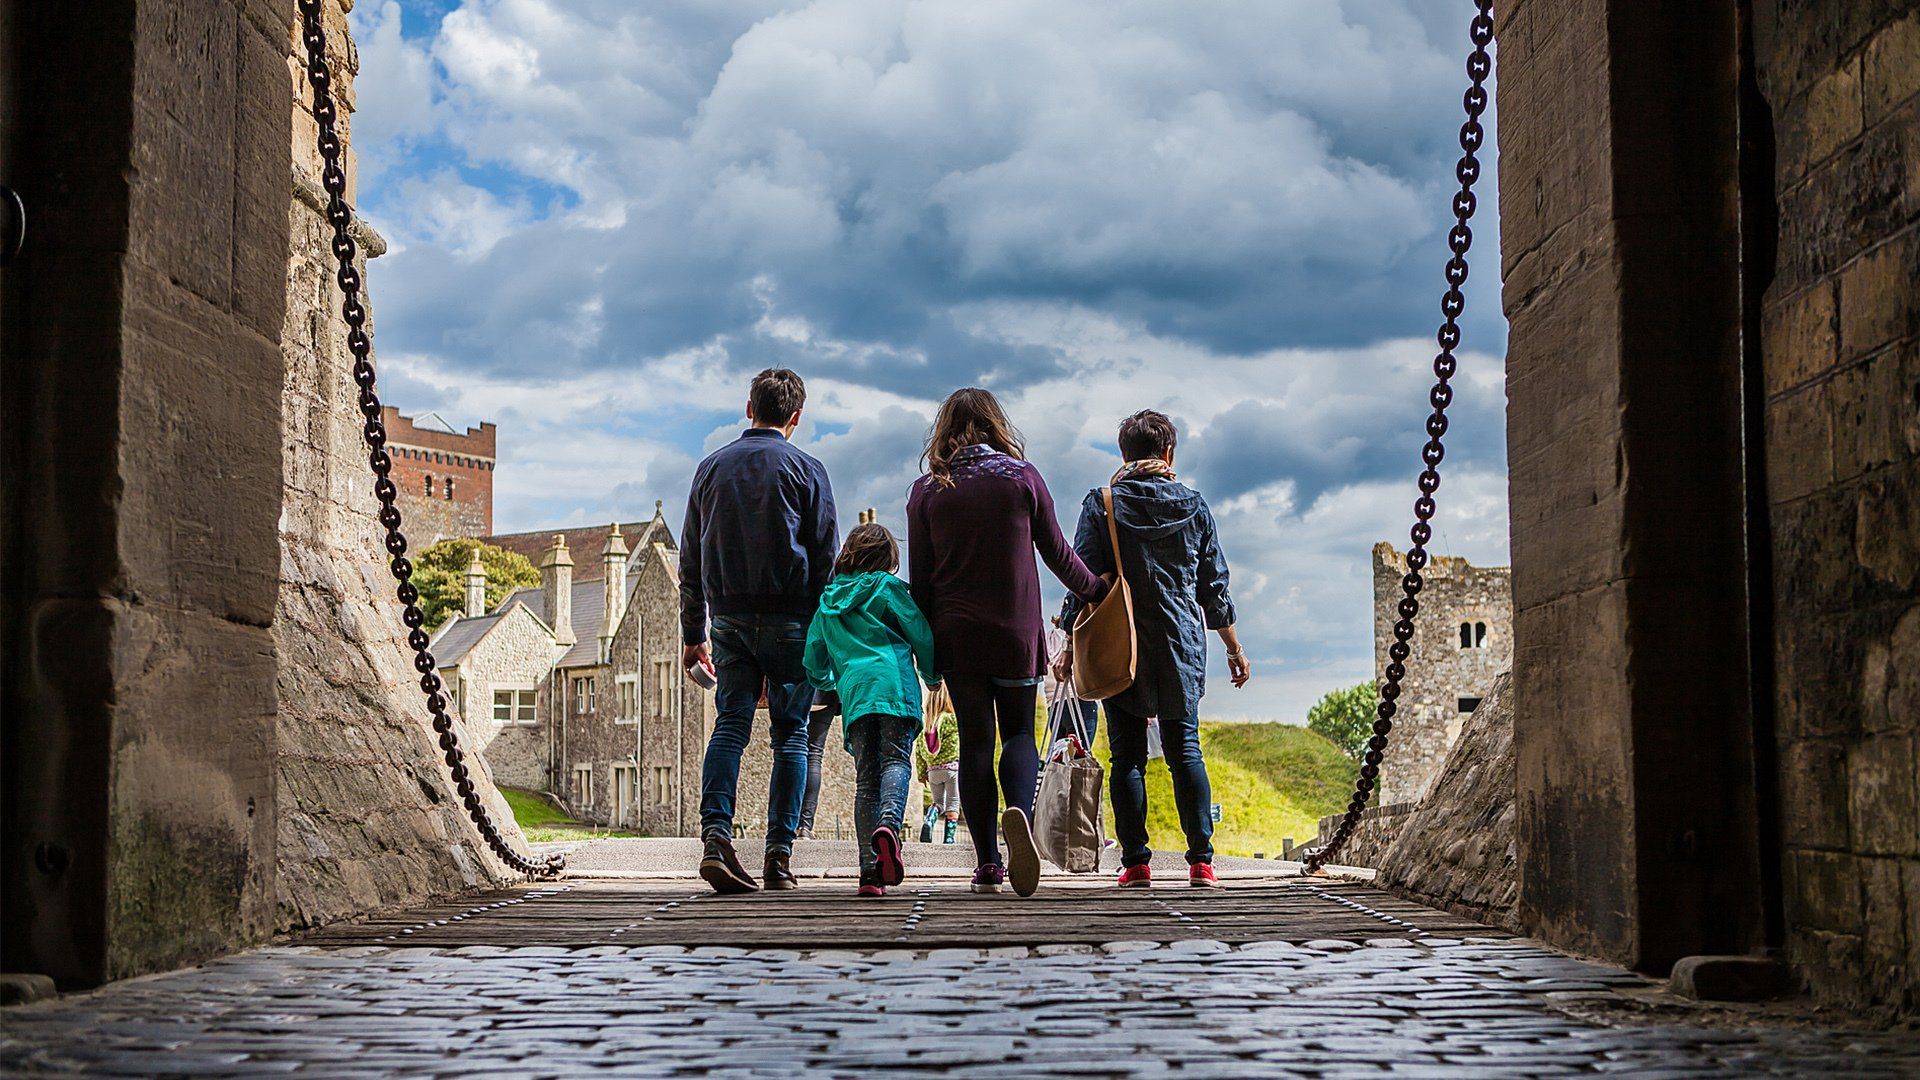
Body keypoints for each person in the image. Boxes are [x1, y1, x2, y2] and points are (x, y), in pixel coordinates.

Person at [906, 388, 1108, 897]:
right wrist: (1098, 591)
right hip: (1015, 628)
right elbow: (1059, 553)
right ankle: (1017, 808)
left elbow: (922, 580)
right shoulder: (1022, 478)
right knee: (1018, 733)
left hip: (957, 634)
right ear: (997, 426)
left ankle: (988, 864)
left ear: (945, 430)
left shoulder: (927, 490)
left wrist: (926, 649)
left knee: (976, 741)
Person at [1057, 410, 1248, 889]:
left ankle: (1137, 863)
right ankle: (1202, 862)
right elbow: (1213, 587)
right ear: (1169, 454)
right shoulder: (1195, 506)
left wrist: (1064, 642)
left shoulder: (1101, 504)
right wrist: (1233, 648)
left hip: (1121, 644)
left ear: (1123, 454)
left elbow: (1082, 579)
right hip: (1180, 644)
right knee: (1186, 750)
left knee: (1127, 756)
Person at [681, 368, 839, 894]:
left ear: (749, 407)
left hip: (726, 618)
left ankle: (715, 838)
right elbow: (825, 566)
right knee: (791, 736)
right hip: (793, 620)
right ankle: (778, 857)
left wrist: (692, 633)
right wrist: (823, 639)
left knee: (730, 727)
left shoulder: (708, 470)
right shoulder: (809, 471)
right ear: (795, 418)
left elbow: (691, 561)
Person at [802, 523, 940, 897]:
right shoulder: (889, 588)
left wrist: (832, 681)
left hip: (857, 697)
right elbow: (921, 633)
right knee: (896, 762)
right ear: (887, 558)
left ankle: (869, 875)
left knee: (866, 779)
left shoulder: (829, 600)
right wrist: (932, 675)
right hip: (894, 688)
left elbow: (812, 657)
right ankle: (889, 827)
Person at [1044, 606, 1100, 749]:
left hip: (1054, 706)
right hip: (1080, 700)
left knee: (1059, 760)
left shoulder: (1048, 636)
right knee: (1079, 760)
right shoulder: (1075, 636)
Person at [915, 685, 962, 845]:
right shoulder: (952, 719)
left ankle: (929, 820)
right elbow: (960, 744)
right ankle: (949, 839)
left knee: (939, 803)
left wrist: (921, 774)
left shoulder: (926, 726)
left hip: (932, 771)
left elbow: (919, 753)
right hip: (951, 769)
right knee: (953, 803)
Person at [796, 689, 839, 840]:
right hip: (825, 691)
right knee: (814, 755)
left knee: (790, 751)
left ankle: (787, 822)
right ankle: (805, 825)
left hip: (795, 688)